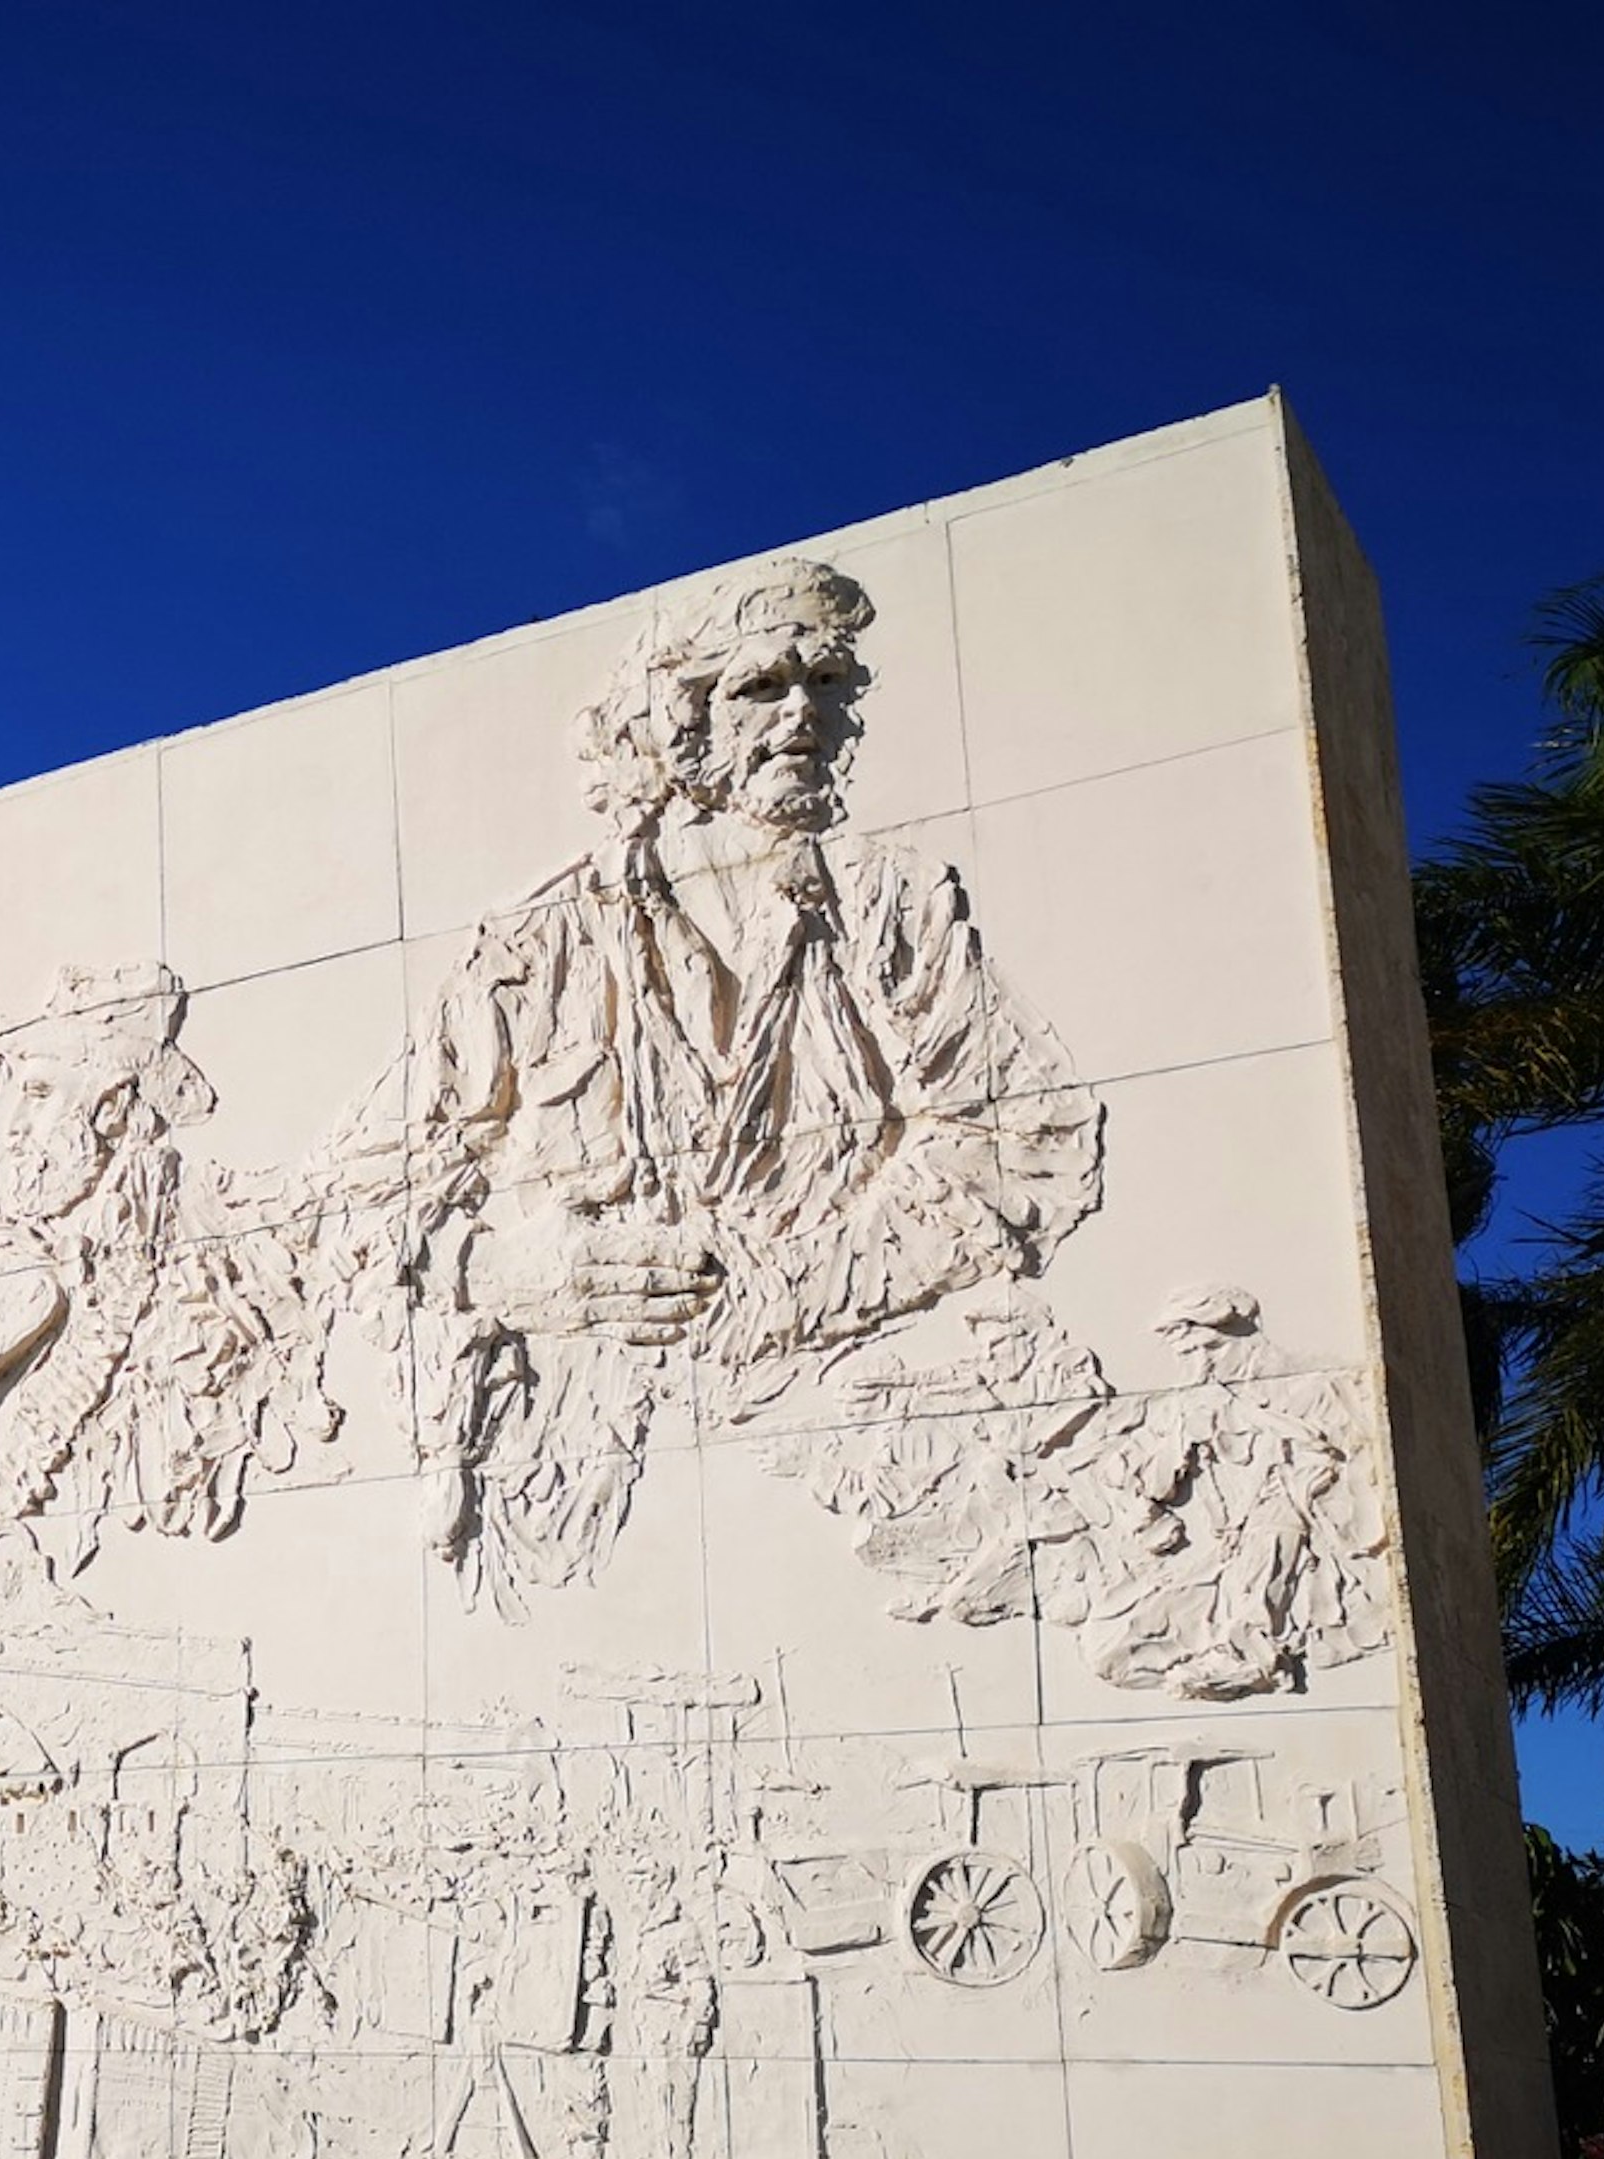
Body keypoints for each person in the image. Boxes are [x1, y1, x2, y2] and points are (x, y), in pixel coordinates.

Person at [331, 557, 1100, 1603]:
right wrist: (502, 1270)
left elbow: (1026, 1140)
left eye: (830, 685)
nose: (806, 715)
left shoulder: (894, 907)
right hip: (572, 1481)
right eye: (761, 687)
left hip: (831, 1437)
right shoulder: (537, 943)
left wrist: (789, 1290)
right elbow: (365, 1196)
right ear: (681, 718)